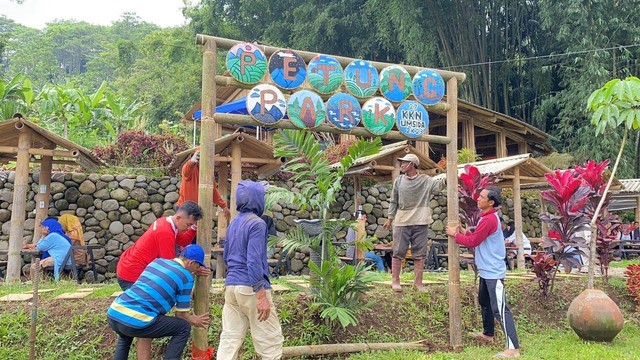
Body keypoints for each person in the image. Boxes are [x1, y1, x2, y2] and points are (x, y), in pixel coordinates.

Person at [115, 200, 206, 359]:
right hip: (132, 272)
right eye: (188, 223)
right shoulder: (165, 233)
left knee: (131, 324)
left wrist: (192, 230)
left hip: (128, 269)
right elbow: (171, 270)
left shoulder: (167, 224)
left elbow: (182, 242)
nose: (188, 227)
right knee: (144, 316)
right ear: (179, 218)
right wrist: (190, 279)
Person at [446, 186, 520, 358]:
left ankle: (513, 348)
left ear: (491, 202)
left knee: (500, 309)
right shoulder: (486, 218)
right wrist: (463, 232)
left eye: (482, 197)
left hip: (494, 272)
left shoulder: (489, 220)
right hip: (486, 271)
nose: (478, 198)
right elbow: (478, 238)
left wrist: (454, 235)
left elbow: (473, 242)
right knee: (484, 302)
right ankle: (488, 334)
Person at [107, 244, 211, 360]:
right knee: (183, 327)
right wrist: (194, 320)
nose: (198, 269)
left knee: (126, 335)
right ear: (191, 263)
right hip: (137, 320)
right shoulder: (186, 277)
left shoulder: (157, 262)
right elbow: (181, 315)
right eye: (198, 266)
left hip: (115, 313)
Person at [217, 180, 284, 360]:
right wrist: (261, 295)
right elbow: (253, 261)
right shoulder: (257, 223)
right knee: (269, 340)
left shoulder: (233, 224)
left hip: (231, 287)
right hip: (251, 288)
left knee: (230, 338)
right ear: (257, 199)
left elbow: (226, 257)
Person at [383, 153, 446, 292]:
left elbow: (436, 186)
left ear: (412, 164)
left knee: (420, 252)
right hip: (402, 221)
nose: (402, 165)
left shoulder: (425, 180)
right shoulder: (399, 181)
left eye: (405, 163)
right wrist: (390, 218)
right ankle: (395, 280)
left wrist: (447, 179)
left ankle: (418, 282)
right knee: (398, 251)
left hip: (420, 220)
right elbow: (394, 200)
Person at [178, 149, 231, 223]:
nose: (214, 163)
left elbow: (213, 192)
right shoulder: (191, 168)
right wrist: (192, 161)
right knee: (184, 232)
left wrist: (224, 207)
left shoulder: (209, 172)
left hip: (197, 210)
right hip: (185, 209)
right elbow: (186, 170)